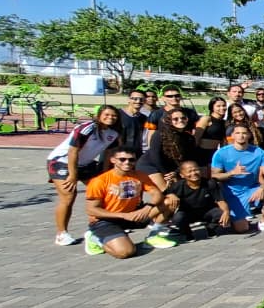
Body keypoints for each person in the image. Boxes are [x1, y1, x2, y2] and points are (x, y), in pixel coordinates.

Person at [82, 146, 177, 257]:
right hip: (107, 220)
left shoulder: (140, 175)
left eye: (131, 160)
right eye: (122, 159)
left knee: (170, 200)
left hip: (133, 215)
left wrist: (147, 208)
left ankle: (154, 236)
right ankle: (94, 239)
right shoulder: (100, 181)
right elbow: (91, 210)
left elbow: (157, 194)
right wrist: (123, 215)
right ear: (113, 160)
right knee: (125, 252)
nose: (127, 162)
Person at [48, 106, 121, 246]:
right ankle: (61, 233)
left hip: (85, 164)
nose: (110, 118)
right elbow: (72, 151)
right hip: (61, 161)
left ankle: (101, 225)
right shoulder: (87, 128)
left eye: (114, 115)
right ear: (99, 115)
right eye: (106, 114)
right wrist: (73, 175)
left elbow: (108, 154)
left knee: (105, 192)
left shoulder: (114, 132)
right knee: (68, 196)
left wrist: (105, 175)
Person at [210, 124, 264, 233]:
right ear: (232, 136)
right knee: (242, 229)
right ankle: (233, 217)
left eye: (244, 133)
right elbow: (214, 175)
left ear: (249, 135)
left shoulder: (259, 152)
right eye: (238, 133)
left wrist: (262, 188)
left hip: (252, 189)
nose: (241, 136)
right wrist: (232, 173)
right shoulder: (221, 153)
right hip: (231, 192)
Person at [163, 160, 230, 239]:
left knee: (220, 213)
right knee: (178, 218)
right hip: (187, 213)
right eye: (189, 171)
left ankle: (211, 228)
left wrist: (226, 212)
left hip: (207, 211)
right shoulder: (178, 186)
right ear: (182, 175)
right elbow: (164, 197)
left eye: (196, 170)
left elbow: (220, 200)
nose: (193, 173)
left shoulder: (210, 183)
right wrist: (170, 195)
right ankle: (187, 233)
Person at [193, 97, 229, 166]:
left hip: (214, 153)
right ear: (212, 107)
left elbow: (223, 142)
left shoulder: (225, 123)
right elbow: (196, 137)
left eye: (224, 106)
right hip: (201, 152)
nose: (222, 108)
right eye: (218, 106)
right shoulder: (206, 119)